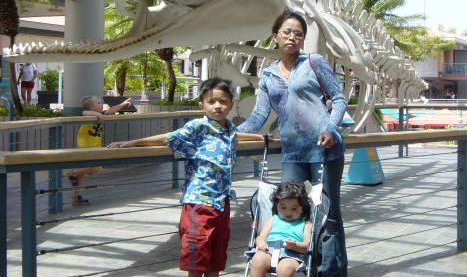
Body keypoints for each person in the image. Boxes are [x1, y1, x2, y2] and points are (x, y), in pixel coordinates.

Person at [107, 77, 266, 277]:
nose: (218, 106)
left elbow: (239, 136)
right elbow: (169, 137)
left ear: (231, 105)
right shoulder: (197, 127)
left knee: (216, 259)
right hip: (199, 203)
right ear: (202, 105)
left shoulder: (229, 129)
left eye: (223, 101)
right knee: (197, 258)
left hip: (222, 202)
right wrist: (135, 142)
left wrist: (262, 138)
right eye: (212, 101)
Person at [238, 10, 348, 276]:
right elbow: (259, 116)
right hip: (293, 153)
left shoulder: (314, 62)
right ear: (275, 36)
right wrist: (229, 132)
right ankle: (294, 264)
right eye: (286, 32)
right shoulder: (267, 76)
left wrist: (330, 129)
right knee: (289, 210)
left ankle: (331, 271)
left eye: (298, 33)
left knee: (328, 214)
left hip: (325, 150)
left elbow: (339, 98)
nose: (292, 37)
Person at [69, 95, 133, 205]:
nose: (101, 104)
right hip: (86, 144)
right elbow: (84, 113)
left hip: (94, 144)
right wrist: (96, 114)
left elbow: (111, 110)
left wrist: (123, 104)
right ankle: (72, 173)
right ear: (91, 107)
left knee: (82, 172)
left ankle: (77, 196)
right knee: (97, 168)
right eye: (98, 103)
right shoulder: (87, 114)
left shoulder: (102, 114)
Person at [250, 181, 312, 277]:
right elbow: (260, 237)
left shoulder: (306, 224)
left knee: (285, 268)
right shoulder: (274, 219)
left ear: (302, 208)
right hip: (268, 250)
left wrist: (294, 245)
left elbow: (307, 246)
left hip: (292, 255)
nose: (288, 212)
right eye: (283, 207)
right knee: (258, 260)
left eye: (294, 208)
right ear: (277, 206)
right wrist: (260, 242)